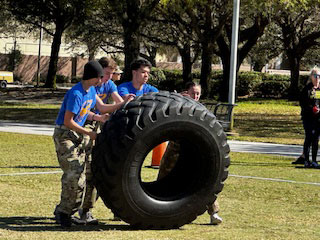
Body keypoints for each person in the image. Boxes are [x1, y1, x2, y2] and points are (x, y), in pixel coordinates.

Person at [53, 60, 133, 228]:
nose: (103, 80)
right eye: (101, 76)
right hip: (65, 135)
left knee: (91, 172)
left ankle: (80, 212)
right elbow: (68, 121)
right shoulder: (76, 93)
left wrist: (98, 117)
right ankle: (64, 212)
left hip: (79, 133)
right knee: (75, 173)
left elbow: (92, 109)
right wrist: (89, 133)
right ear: (93, 77)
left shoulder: (90, 91)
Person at [157, 82, 223, 225]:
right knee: (164, 175)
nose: (196, 96)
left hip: (195, 150)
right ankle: (158, 208)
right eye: (193, 93)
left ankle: (214, 213)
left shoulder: (201, 110)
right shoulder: (178, 104)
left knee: (206, 181)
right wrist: (177, 98)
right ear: (186, 92)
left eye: (198, 93)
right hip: (176, 147)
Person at [296, 68, 320, 168]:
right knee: (309, 138)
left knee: (316, 140)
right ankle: (306, 160)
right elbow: (303, 103)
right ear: (311, 77)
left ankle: (314, 160)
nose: (317, 78)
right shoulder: (307, 89)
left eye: (319, 76)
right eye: (315, 76)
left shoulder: (319, 89)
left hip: (318, 119)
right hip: (308, 118)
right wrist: (311, 109)